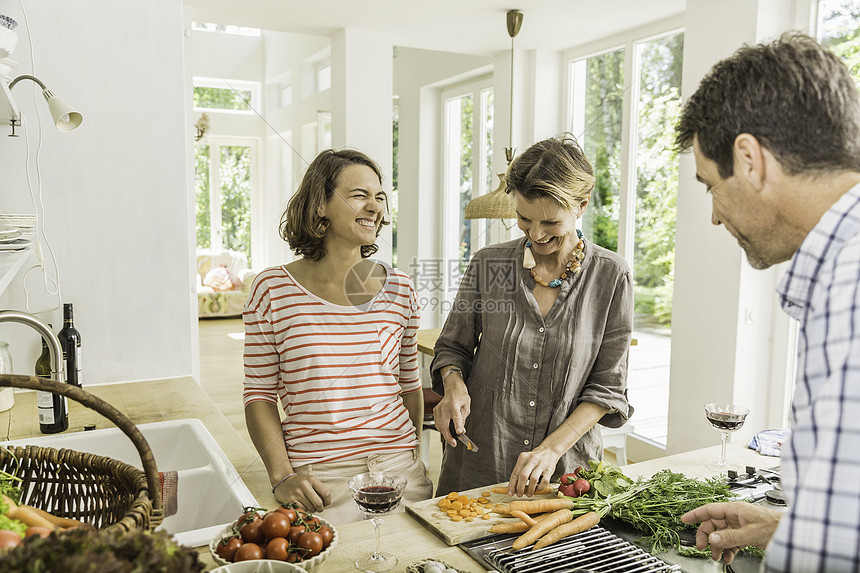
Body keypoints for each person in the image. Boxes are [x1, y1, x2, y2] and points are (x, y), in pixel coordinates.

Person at [675, 33, 860, 571]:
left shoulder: (850, 287)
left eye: (710, 185)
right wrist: (788, 525)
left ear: (750, 160)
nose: (713, 214)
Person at [430, 134, 634, 497]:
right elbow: (451, 349)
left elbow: (608, 388)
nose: (536, 234)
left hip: (566, 474)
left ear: (581, 206)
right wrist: (454, 386)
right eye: (524, 219)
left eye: (550, 223)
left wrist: (551, 450)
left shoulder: (611, 276)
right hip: (482, 459)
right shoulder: (489, 264)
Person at [242, 148, 433, 525]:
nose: (375, 207)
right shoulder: (272, 290)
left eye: (380, 197)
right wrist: (281, 475)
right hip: (320, 482)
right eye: (359, 195)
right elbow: (259, 395)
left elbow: (409, 385)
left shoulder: (400, 288)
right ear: (320, 205)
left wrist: (412, 457)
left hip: (399, 474)